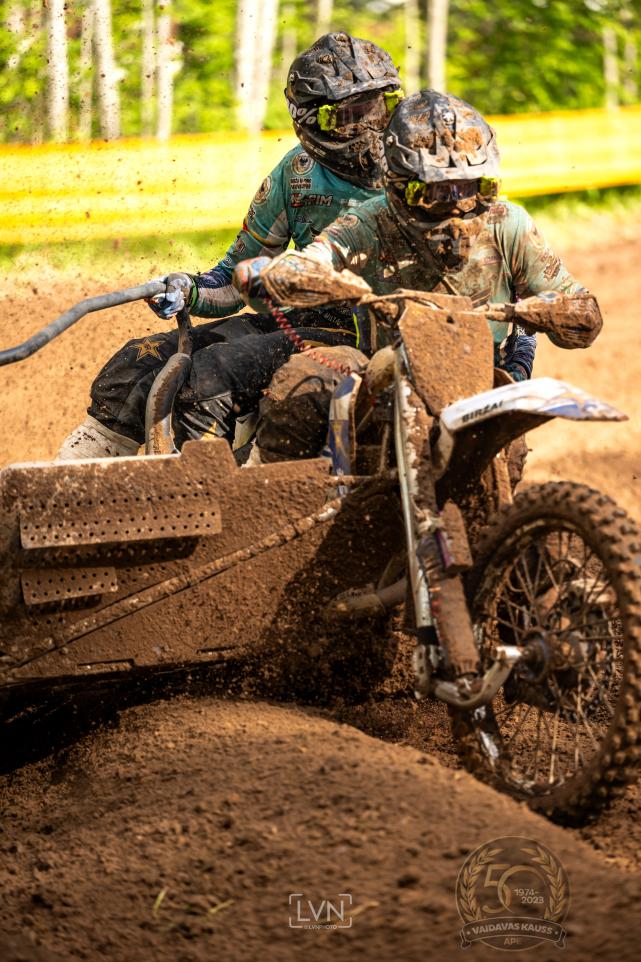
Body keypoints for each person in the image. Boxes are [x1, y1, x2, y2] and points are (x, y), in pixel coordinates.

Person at [57, 32, 403, 459]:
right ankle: (68, 481)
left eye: (379, 107)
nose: (369, 127)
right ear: (309, 120)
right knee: (136, 364)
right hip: (306, 319)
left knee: (210, 376)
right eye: (348, 116)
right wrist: (189, 288)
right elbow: (237, 277)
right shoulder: (295, 173)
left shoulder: (419, 168)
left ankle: (202, 489)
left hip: (379, 331)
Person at [231, 89, 592, 462]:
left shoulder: (508, 224)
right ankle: (271, 487)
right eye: (435, 192)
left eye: (474, 189)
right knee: (300, 384)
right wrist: (283, 274)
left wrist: (561, 312)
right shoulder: (369, 221)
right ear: (399, 186)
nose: (457, 206)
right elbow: (317, 257)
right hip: (380, 368)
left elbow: (579, 306)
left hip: (480, 373)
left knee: (509, 452)